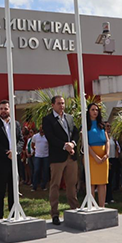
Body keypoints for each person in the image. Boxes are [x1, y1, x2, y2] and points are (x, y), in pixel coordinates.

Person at [42, 95, 80, 225]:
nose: (61, 105)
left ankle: (74, 209)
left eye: (63, 103)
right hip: (57, 157)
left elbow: (75, 132)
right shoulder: (48, 120)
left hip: (71, 156)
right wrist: (65, 146)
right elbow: (50, 137)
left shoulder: (69, 117)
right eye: (59, 103)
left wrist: (73, 143)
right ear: (53, 105)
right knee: (55, 185)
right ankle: (55, 214)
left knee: (72, 184)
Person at [0, 100, 24, 220]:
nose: (3, 111)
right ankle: (0, 217)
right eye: (1, 109)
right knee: (1, 191)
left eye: (6, 108)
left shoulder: (16, 124)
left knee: (14, 190)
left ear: (10, 110)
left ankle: (13, 215)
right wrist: (6, 153)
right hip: (1, 162)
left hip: (14, 162)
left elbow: (21, 140)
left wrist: (16, 151)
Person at [86, 103, 109, 207]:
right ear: (88, 111)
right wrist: (95, 156)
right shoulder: (86, 125)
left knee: (102, 182)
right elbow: (85, 143)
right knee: (92, 182)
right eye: (92, 110)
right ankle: (91, 205)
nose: (95, 112)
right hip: (92, 156)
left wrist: (107, 154)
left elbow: (107, 140)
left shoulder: (102, 125)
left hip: (104, 157)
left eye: (96, 110)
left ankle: (102, 206)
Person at [106, 122, 120, 203]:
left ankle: (110, 197)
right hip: (107, 159)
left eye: (110, 126)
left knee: (111, 179)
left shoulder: (112, 137)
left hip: (113, 158)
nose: (109, 128)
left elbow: (117, 147)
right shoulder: (104, 137)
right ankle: (105, 198)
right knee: (106, 180)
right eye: (107, 126)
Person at [31, 127, 49, 191]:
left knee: (45, 171)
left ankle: (43, 186)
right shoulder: (35, 136)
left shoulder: (47, 136)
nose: (42, 129)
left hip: (46, 156)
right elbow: (32, 145)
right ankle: (34, 186)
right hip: (37, 156)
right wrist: (36, 150)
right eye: (41, 128)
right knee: (36, 170)